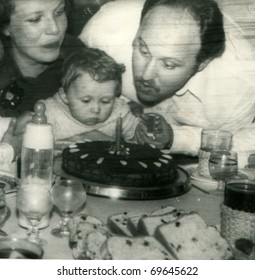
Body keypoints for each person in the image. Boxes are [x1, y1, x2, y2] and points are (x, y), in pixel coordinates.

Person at [80, 0, 255, 167]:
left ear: (202, 63)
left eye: (168, 64)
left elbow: (242, 144)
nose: (146, 75)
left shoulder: (239, 83)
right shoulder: (106, 29)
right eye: (143, 50)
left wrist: (176, 138)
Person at [41, 47, 173, 149]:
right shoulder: (48, 113)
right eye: (86, 100)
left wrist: (152, 134)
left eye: (105, 101)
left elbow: (138, 140)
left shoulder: (120, 111)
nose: (96, 109)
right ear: (65, 96)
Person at [0, 0, 85, 117]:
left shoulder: (77, 57)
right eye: (35, 19)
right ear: (5, 27)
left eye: (59, 12)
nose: (54, 29)